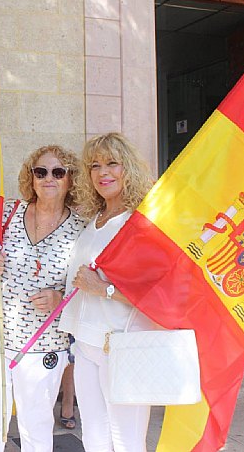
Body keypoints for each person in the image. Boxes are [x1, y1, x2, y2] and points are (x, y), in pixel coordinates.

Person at [0, 145, 85, 451]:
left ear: (70, 180)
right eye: (41, 172)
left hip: (43, 345)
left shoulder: (81, 229)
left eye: (58, 172)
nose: (49, 178)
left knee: (36, 427)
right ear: (31, 178)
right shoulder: (7, 212)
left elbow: (86, 289)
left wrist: (59, 297)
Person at [57, 132, 158, 452]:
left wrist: (105, 289)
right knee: (96, 437)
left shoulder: (141, 223)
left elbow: (159, 292)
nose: (103, 172)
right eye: (95, 165)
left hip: (123, 344)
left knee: (127, 441)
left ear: (128, 168)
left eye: (112, 163)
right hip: (87, 342)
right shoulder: (96, 219)